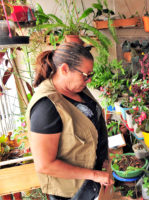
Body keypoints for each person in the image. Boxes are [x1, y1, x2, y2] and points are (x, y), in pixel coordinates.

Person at [25, 42, 113, 200]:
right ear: (64, 69)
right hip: (74, 193)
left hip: (94, 182)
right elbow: (45, 165)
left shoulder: (76, 88)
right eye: (86, 75)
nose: (89, 80)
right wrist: (93, 174)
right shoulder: (46, 107)